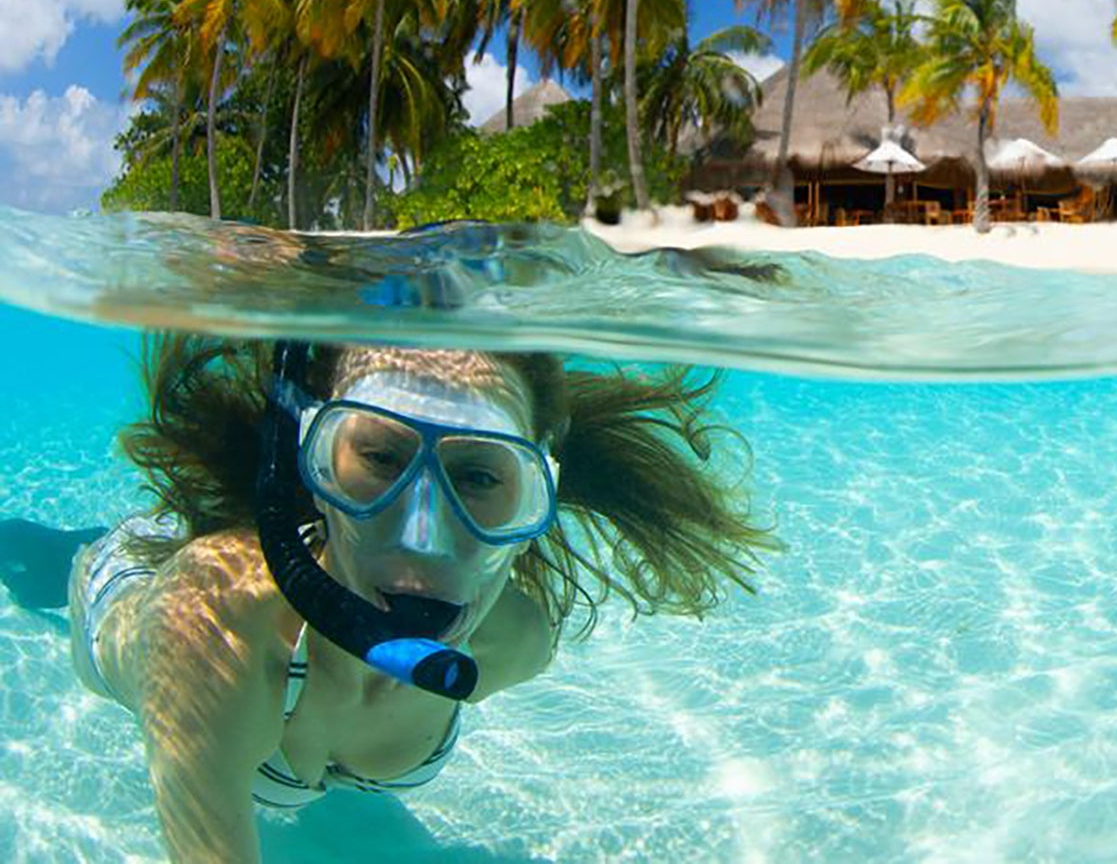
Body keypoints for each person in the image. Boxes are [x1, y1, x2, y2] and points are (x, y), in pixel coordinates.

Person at [67, 333, 778, 863]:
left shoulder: (517, 642)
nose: (425, 538)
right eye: (378, 459)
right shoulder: (211, 628)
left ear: (539, 498)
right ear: (314, 470)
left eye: (478, 479)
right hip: (124, 593)